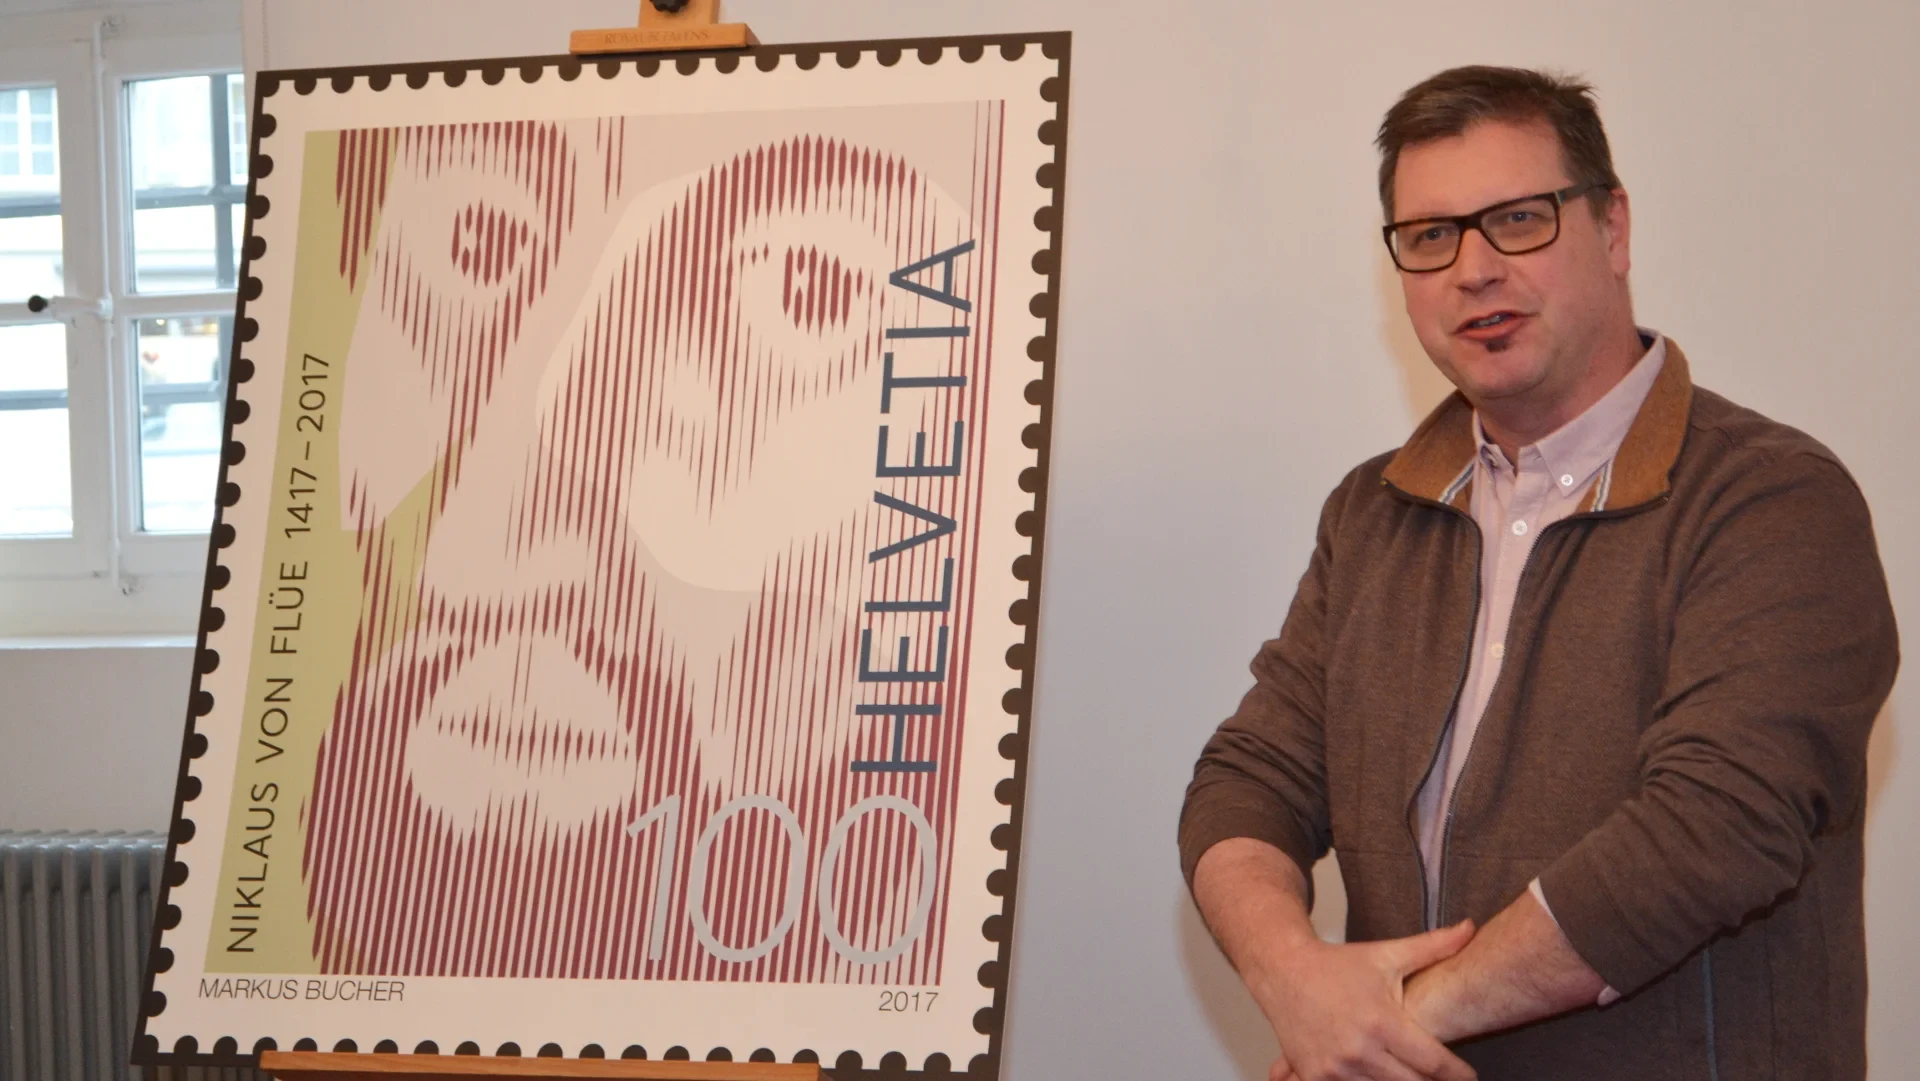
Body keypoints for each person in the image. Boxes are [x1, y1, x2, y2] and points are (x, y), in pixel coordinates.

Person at [1178, 65, 1898, 1081]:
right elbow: (1249, 780)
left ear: (1614, 228)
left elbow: (1716, 824)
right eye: (1432, 235)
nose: (1473, 269)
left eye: (1519, 219)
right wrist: (1292, 975)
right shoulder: (1373, 513)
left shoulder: (1772, 499)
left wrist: (1387, 1024)